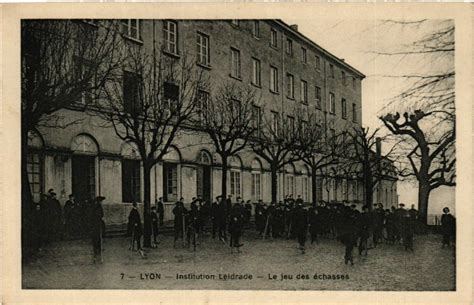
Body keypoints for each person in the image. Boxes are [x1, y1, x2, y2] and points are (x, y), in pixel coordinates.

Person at [90, 196, 105, 263]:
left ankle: (96, 257)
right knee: (97, 241)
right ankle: (97, 257)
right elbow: (100, 215)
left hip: (97, 225)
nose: (102, 202)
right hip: (96, 226)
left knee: (96, 241)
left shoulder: (96, 207)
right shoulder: (97, 207)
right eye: (101, 201)